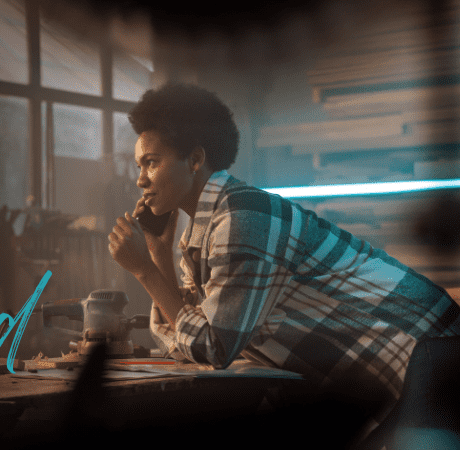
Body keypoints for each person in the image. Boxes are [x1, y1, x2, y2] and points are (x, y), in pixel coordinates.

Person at [106, 83, 460, 445]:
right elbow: (190, 336)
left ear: (195, 160)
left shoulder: (242, 217)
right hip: (397, 366)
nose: (140, 179)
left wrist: (145, 270)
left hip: (430, 347)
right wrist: (159, 253)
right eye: (139, 165)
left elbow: (214, 347)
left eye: (151, 162)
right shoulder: (206, 231)